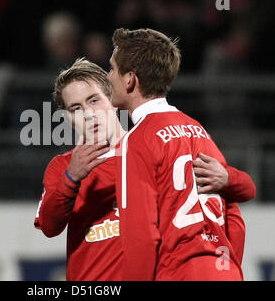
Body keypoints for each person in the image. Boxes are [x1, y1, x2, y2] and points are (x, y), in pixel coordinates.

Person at [34, 58, 255, 280]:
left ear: (112, 99)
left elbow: (230, 210)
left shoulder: (154, 149)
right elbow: (49, 227)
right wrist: (71, 179)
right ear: (68, 118)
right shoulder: (62, 167)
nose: (89, 114)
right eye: (76, 108)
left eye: (94, 100)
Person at [107, 28, 256, 280]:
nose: (107, 76)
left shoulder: (137, 140)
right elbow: (235, 221)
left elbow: (141, 237)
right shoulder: (199, 131)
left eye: (111, 69)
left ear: (130, 79)